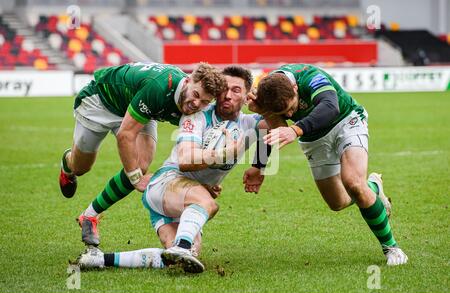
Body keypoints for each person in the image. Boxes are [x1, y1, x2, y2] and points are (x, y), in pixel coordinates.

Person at [76, 65, 267, 273]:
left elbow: (271, 128)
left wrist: (259, 166)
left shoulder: (249, 124)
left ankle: (99, 259)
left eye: (236, 90)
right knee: (207, 203)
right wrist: (223, 154)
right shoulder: (197, 117)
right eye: (225, 90)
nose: (228, 95)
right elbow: (185, 160)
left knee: (181, 258)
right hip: (166, 183)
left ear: (248, 95)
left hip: (185, 200)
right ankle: (181, 245)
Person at [243, 63, 408, 266]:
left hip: (345, 121)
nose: (289, 114)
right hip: (312, 137)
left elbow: (330, 106)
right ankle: (373, 187)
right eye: (285, 112)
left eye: (291, 107)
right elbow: (264, 127)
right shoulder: (267, 94)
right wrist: (258, 166)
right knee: (337, 203)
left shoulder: (310, 76)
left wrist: (295, 130)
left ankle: (392, 248)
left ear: (295, 89)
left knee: (354, 183)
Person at [59, 62, 227, 247]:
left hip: (141, 108)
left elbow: (191, 151)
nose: (196, 104)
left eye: (204, 102)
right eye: (195, 95)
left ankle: (89, 217)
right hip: (101, 101)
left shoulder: (194, 108)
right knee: (81, 167)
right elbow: (125, 135)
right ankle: (67, 166)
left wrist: (204, 183)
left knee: (140, 166)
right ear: (187, 81)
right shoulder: (159, 88)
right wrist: (134, 177)